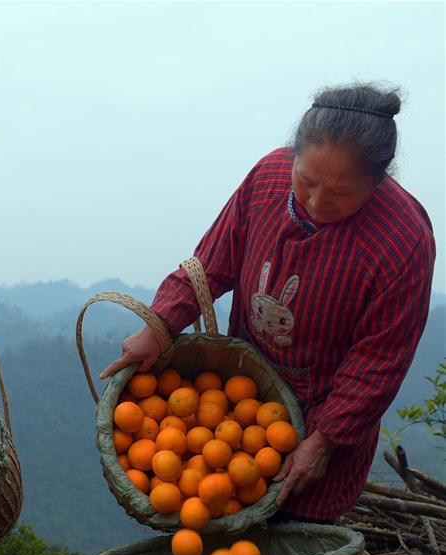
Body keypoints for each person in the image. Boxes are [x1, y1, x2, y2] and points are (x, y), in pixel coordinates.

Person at [101, 83, 436, 524]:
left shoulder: (402, 240)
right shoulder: (267, 179)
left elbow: (378, 362)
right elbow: (210, 264)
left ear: (377, 182)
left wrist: (323, 441)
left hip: (325, 417)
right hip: (236, 400)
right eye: (306, 181)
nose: (316, 202)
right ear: (293, 156)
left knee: (295, 533)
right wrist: (159, 323)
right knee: (211, 515)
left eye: (340, 193)